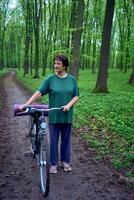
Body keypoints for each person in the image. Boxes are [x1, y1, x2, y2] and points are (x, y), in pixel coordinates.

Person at [20, 54, 79, 174]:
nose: (55, 65)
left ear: (65, 66)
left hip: (67, 116)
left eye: (58, 63)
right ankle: (53, 164)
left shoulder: (72, 79)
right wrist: (26, 104)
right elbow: (39, 92)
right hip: (54, 116)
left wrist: (68, 105)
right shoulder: (50, 79)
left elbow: (76, 96)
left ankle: (65, 161)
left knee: (66, 141)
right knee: (53, 141)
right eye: (55, 63)